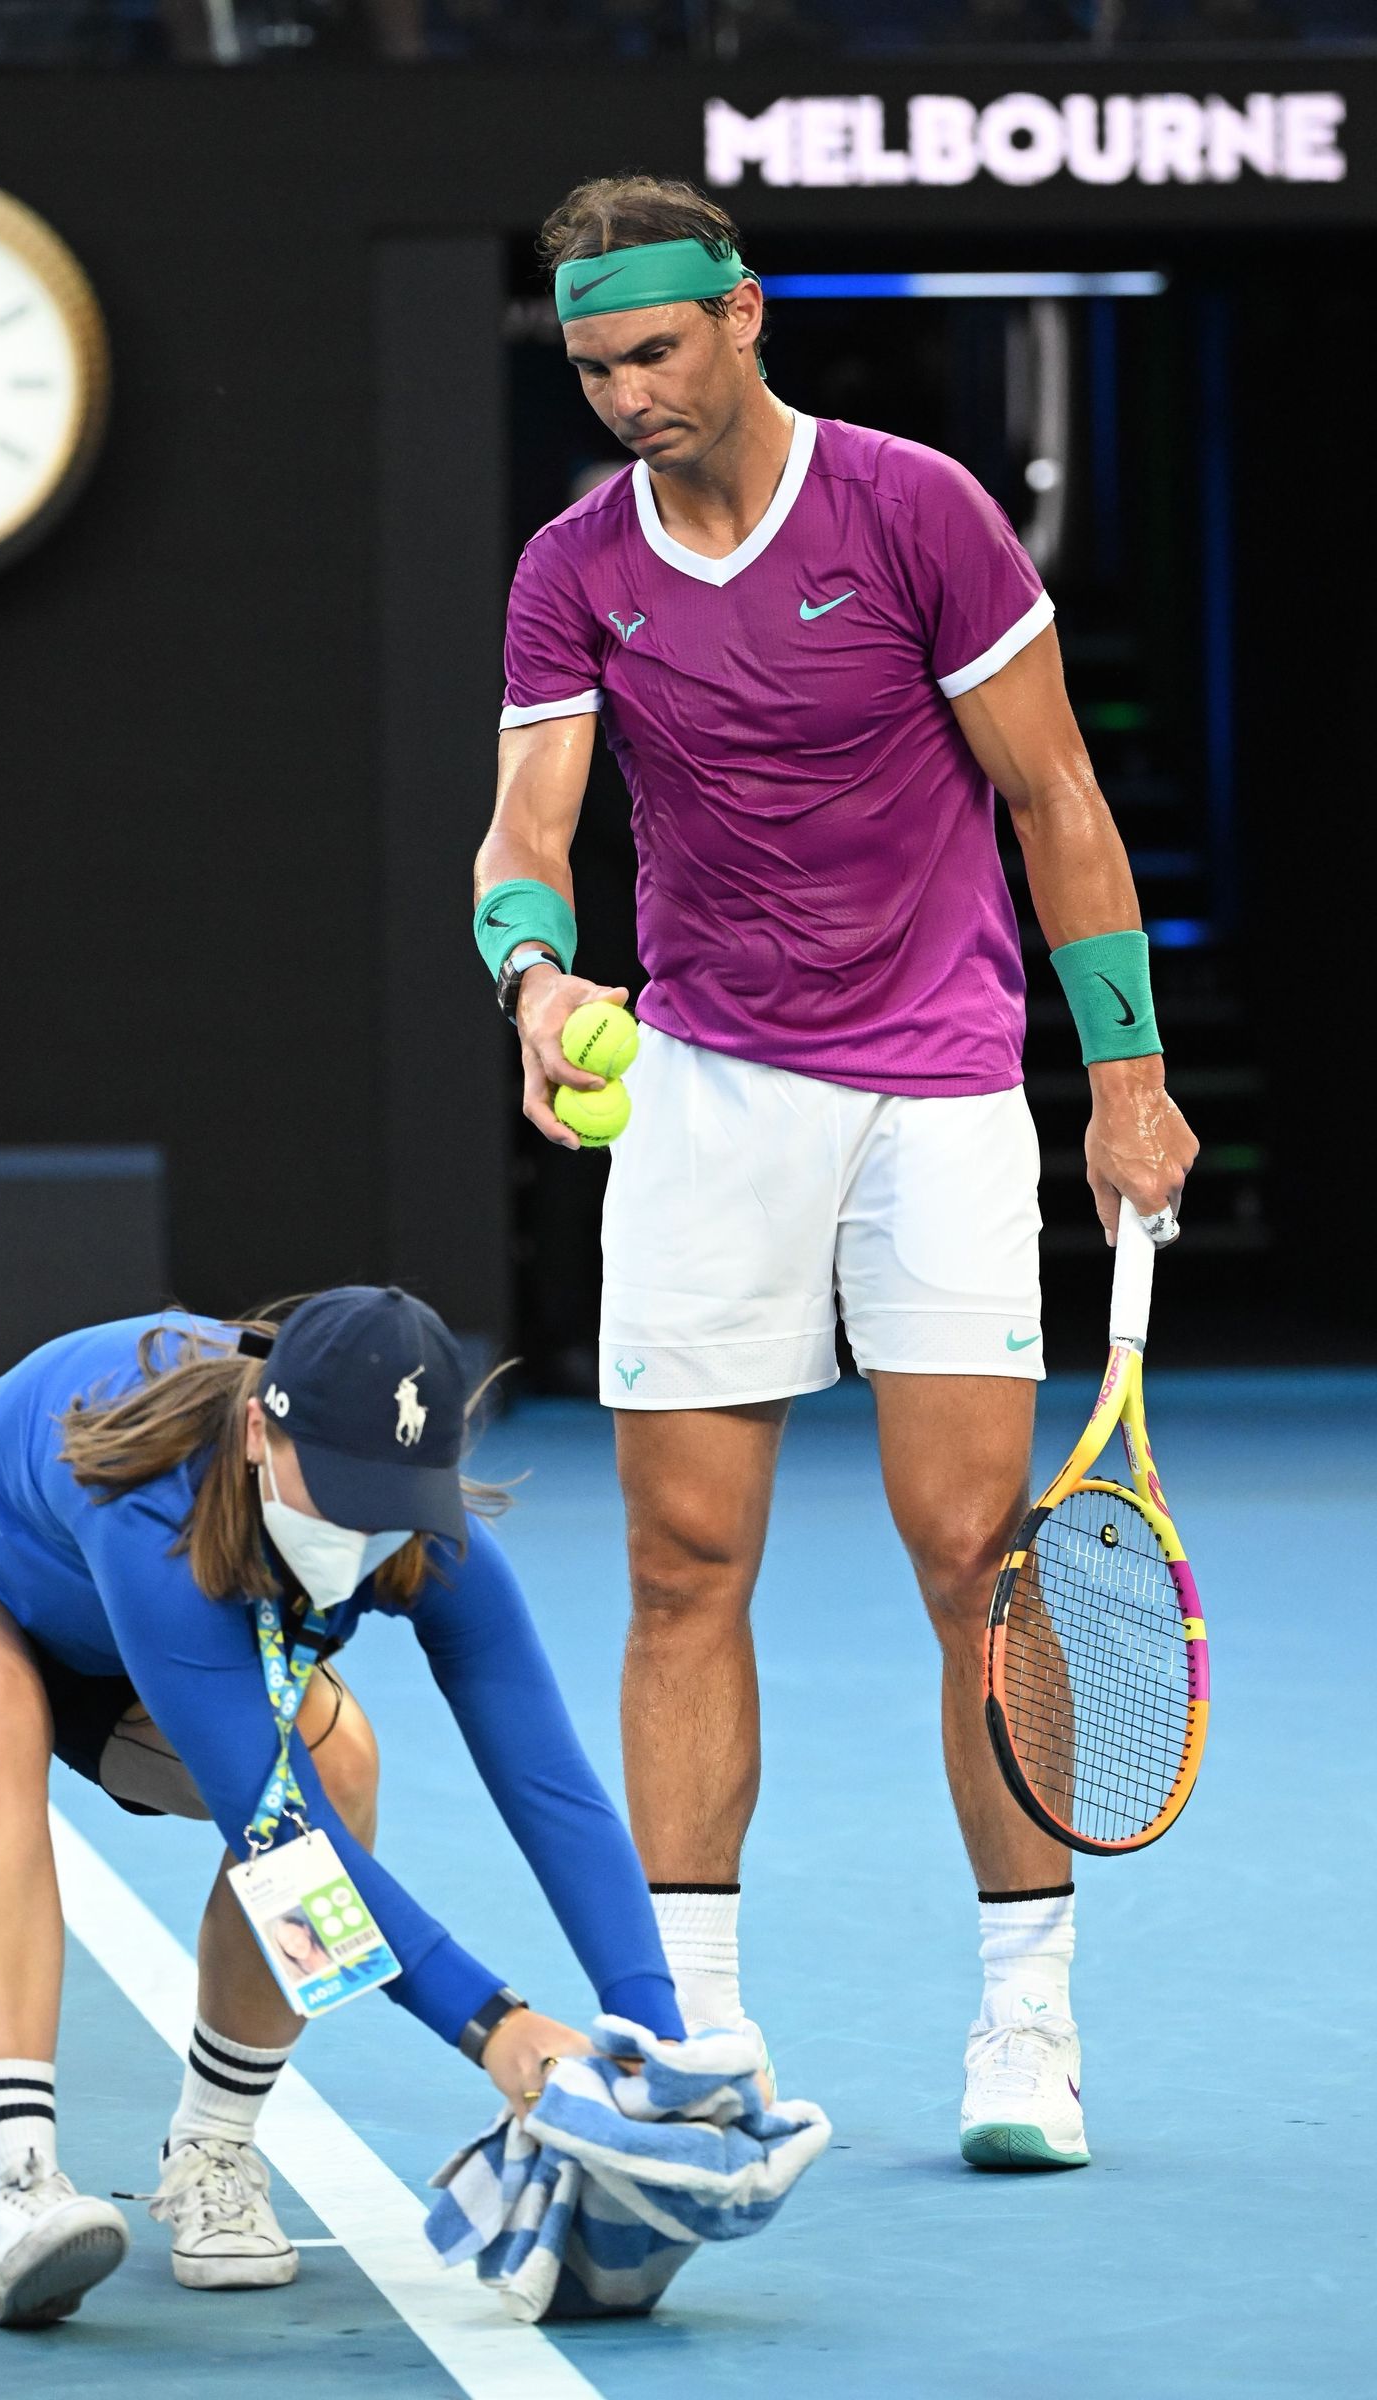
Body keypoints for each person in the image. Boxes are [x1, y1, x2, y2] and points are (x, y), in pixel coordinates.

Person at [473, 175, 1198, 2172]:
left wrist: (1120, 1075)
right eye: (591, 363)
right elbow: (523, 826)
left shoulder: (912, 512)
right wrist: (532, 975)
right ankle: (694, 2034)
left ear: (740, 312)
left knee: (976, 1560)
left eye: (650, 349)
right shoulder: (571, 571)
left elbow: (1051, 796)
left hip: (940, 1089)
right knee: (678, 1566)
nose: (623, 394)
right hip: (705, 1098)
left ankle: (1024, 2028)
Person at [0, 1283, 685, 2327]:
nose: (367, 1526)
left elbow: (547, 1781)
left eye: (394, 1495)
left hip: (114, 1643)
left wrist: (658, 2045)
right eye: (345, 1488)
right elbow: (277, 1834)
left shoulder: (417, 1525)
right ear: (265, 1431)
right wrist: (494, 2026)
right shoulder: (153, 1502)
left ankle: (213, 2148)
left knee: (338, 1756)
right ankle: (18, 2184)